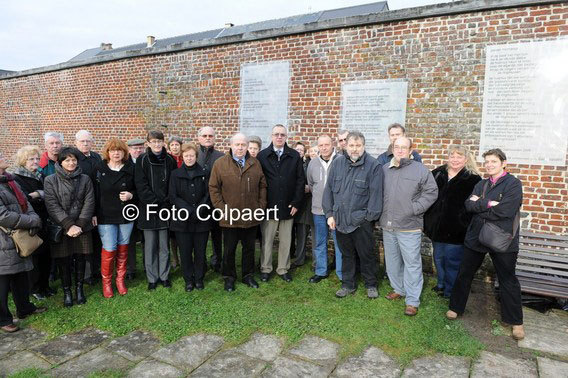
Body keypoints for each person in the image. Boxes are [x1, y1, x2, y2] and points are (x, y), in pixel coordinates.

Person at [447, 148, 525, 340]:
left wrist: (481, 204)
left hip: (502, 238)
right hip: (476, 236)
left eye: (494, 162)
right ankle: (455, 307)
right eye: (487, 162)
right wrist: (490, 204)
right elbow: (469, 205)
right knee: (464, 273)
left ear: (504, 163)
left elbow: (506, 210)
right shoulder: (481, 184)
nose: (489, 165)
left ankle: (516, 322)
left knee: (508, 279)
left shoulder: (513, 184)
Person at [380, 136, 438, 316]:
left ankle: (412, 300)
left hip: (409, 226)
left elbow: (431, 192)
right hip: (387, 225)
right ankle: (399, 289)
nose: (399, 150)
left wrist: (415, 208)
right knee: (392, 260)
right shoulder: (384, 169)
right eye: (396, 147)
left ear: (410, 150)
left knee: (412, 263)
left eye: (403, 147)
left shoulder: (420, 170)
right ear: (392, 149)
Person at [323, 131, 383, 298]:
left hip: (361, 221)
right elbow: (328, 191)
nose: (354, 149)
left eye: (358, 146)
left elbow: (376, 195)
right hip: (340, 219)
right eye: (351, 145)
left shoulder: (373, 166)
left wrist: (368, 219)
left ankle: (371, 284)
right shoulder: (337, 163)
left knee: (366, 254)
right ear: (346, 146)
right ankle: (348, 284)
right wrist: (330, 214)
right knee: (346, 254)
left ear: (363, 146)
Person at [210, 133, 267, 291]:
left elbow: (262, 186)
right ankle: (229, 277)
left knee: (249, 248)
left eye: (243, 145)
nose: (240, 148)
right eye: (237, 145)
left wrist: (260, 206)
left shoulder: (255, 163)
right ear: (231, 146)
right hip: (230, 216)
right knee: (229, 249)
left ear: (247, 146)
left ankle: (248, 276)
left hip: (251, 215)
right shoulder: (220, 164)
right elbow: (214, 188)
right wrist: (222, 209)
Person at [424, 145, 481, 298]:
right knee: (438, 258)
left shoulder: (473, 179)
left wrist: (464, 221)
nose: (455, 159)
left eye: (459, 156)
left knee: (452, 262)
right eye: (452, 156)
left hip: (457, 230)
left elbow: (474, 204)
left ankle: (450, 291)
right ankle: (441, 284)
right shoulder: (437, 174)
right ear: (448, 157)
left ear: (466, 159)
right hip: (436, 227)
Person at [0, 151, 46, 333]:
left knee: (20, 275)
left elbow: (26, 204)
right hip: (4, 239)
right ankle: (3, 319)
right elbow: (2, 215)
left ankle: (24, 307)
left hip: (18, 235)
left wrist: (34, 218)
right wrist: (31, 221)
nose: (3, 156)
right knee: (3, 280)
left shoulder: (9, 181)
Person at [44, 147, 96, 307]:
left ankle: (79, 289)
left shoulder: (85, 179)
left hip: (82, 226)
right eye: (67, 160)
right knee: (63, 260)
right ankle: (67, 291)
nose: (71, 163)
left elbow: (89, 201)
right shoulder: (50, 180)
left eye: (74, 160)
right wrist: (68, 225)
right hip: (62, 227)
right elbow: (52, 205)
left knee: (81, 257)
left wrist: (79, 224)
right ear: (60, 162)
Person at [257, 125, 305, 283]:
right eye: (276, 134)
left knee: (286, 239)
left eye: (282, 135)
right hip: (269, 205)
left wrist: (297, 202)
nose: (279, 137)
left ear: (286, 137)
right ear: (271, 136)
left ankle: (283, 268)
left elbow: (300, 180)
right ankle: (265, 268)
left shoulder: (294, 156)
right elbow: (259, 181)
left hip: (288, 205)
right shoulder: (262, 156)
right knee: (267, 239)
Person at [135, 130, 177, 290]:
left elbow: (173, 182)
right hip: (149, 209)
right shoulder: (142, 160)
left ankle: (164, 276)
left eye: (159, 141)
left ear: (163, 143)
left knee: (164, 245)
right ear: (148, 144)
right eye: (154, 142)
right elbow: (141, 184)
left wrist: (167, 201)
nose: (157, 144)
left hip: (165, 209)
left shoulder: (170, 160)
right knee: (150, 245)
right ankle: (152, 278)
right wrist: (153, 201)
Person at [94, 139, 136, 298]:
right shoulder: (99, 169)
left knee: (123, 248)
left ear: (124, 153)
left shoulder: (131, 168)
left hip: (126, 214)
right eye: (113, 150)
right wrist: (93, 213)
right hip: (105, 215)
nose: (116, 153)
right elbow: (93, 194)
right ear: (108, 153)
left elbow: (139, 188)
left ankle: (120, 280)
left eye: (119, 150)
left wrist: (131, 195)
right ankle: (106, 283)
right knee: (110, 248)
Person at [13, 146, 55, 300]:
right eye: (31, 159)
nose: (35, 161)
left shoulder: (40, 175)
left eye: (37, 158)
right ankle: (35, 288)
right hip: (31, 221)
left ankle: (45, 286)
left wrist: (39, 194)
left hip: (45, 218)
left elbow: (49, 194)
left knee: (46, 254)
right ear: (23, 161)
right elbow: (24, 199)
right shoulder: (17, 178)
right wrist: (38, 195)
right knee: (35, 256)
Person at [169, 142, 212, 292]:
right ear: (182, 156)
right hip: (182, 220)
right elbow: (173, 196)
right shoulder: (175, 174)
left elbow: (208, 193)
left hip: (202, 219)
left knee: (200, 251)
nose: (189, 158)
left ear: (196, 156)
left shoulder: (205, 173)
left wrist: (199, 209)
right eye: (186, 156)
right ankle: (188, 279)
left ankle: (199, 278)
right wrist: (188, 210)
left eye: (192, 155)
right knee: (185, 252)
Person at [307, 135, 342, 283]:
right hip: (318, 211)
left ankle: (342, 273)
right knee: (320, 242)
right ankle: (321, 271)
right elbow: (311, 183)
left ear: (332, 144)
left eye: (326, 145)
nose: (324, 148)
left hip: (336, 211)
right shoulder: (313, 163)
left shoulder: (340, 160)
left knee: (339, 243)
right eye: (321, 145)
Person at [75, 130, 103, 286]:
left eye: (88, 141)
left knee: (97, 241)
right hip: (84, 207)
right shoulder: (75, 159)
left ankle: (96, 270)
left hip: (98, 204)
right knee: (86, 243)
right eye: (82, 141)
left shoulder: (96, 157)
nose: (85, 144)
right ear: (76, 142)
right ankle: (86, 275)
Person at [196, 126, 224, 273]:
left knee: (217, 235)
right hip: (199, 202)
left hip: (216, 202)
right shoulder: (193, 154)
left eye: (210, 136)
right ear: (199, 138)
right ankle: (201, 263)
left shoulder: (221, 156)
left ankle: (217, 261)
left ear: (214, 138)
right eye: (204, 135)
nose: (208, 138)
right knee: (200, 235)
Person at [125, 138, 146, 279]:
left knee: (146, 238)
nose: (138, 150)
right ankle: (130, 269)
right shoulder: (125, 164)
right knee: (130, 239)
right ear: (129, 150)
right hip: (130, 206)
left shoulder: (146, 161)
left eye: (140, 148)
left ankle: (147, 266)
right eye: (134, 148)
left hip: (145, 205)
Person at [290, 141, 312, 269]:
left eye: (301, 150)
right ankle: (292, 254)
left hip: (303, 205)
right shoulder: (289, 163)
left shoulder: (307, 165)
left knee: (302, 232)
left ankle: (299, 258)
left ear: (304, 153)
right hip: (290, 204)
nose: (299, 152)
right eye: (297, 149)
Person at [167, 136, 183, 271]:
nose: (175, 147)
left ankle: (183, 256)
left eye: (177, 144)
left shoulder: (185, 159)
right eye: (172, 145)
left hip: (184, 198)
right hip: (172, 199)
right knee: (173, 232)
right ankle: (174, 258)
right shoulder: (168, 160)